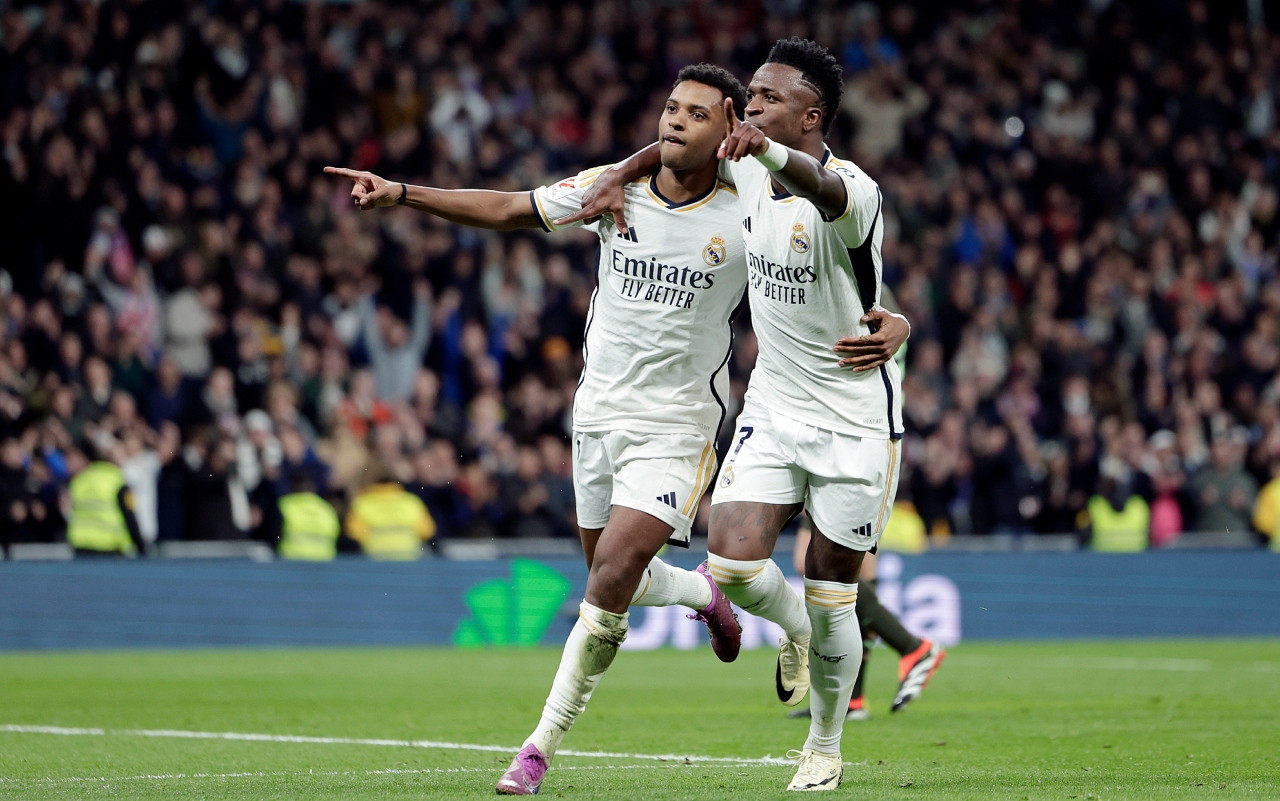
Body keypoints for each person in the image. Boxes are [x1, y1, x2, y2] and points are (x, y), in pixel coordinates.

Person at [328, 65, 796, 796]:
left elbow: (829, 217)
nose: (674, 121)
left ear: (727, 125)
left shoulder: (751, 206)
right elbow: (510, 207)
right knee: (615, 578)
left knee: (611, 577)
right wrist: (403, 193)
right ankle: (705, 594)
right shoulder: (615, 186)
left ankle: (537, 747)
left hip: (677, 424)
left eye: (696, 114)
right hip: (599, 413)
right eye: (669, 107)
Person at [571, 39, 912, 791]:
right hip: (775, 404)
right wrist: (618, 177)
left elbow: (821, 189)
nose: (750, 104)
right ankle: (791, 632)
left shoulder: (854, 188)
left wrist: (902, 321)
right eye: (749, 95)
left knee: (834, 591)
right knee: (729, 556)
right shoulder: (741, 168)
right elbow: (668, 152)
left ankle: (824, 743)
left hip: (855, 418)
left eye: (768, 97)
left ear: (811, 116)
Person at [788, 520, 945, 721]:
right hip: (835, 493)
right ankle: (852, 699)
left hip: (843, 491)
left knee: (817, 563)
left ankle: (912, 647)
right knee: (859, 571)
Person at [65, 442, 146, 557]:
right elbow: (130, 516)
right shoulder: (117, 481)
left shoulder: (79, 481)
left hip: (81, 547)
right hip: (110, 547)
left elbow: (69, 511)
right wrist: (141, 548)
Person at [345, 469, 436, 560]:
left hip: (374, 558)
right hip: (408, 557)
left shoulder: (362, 503)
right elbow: (427, 531)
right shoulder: (412, 502)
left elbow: (354, 533)